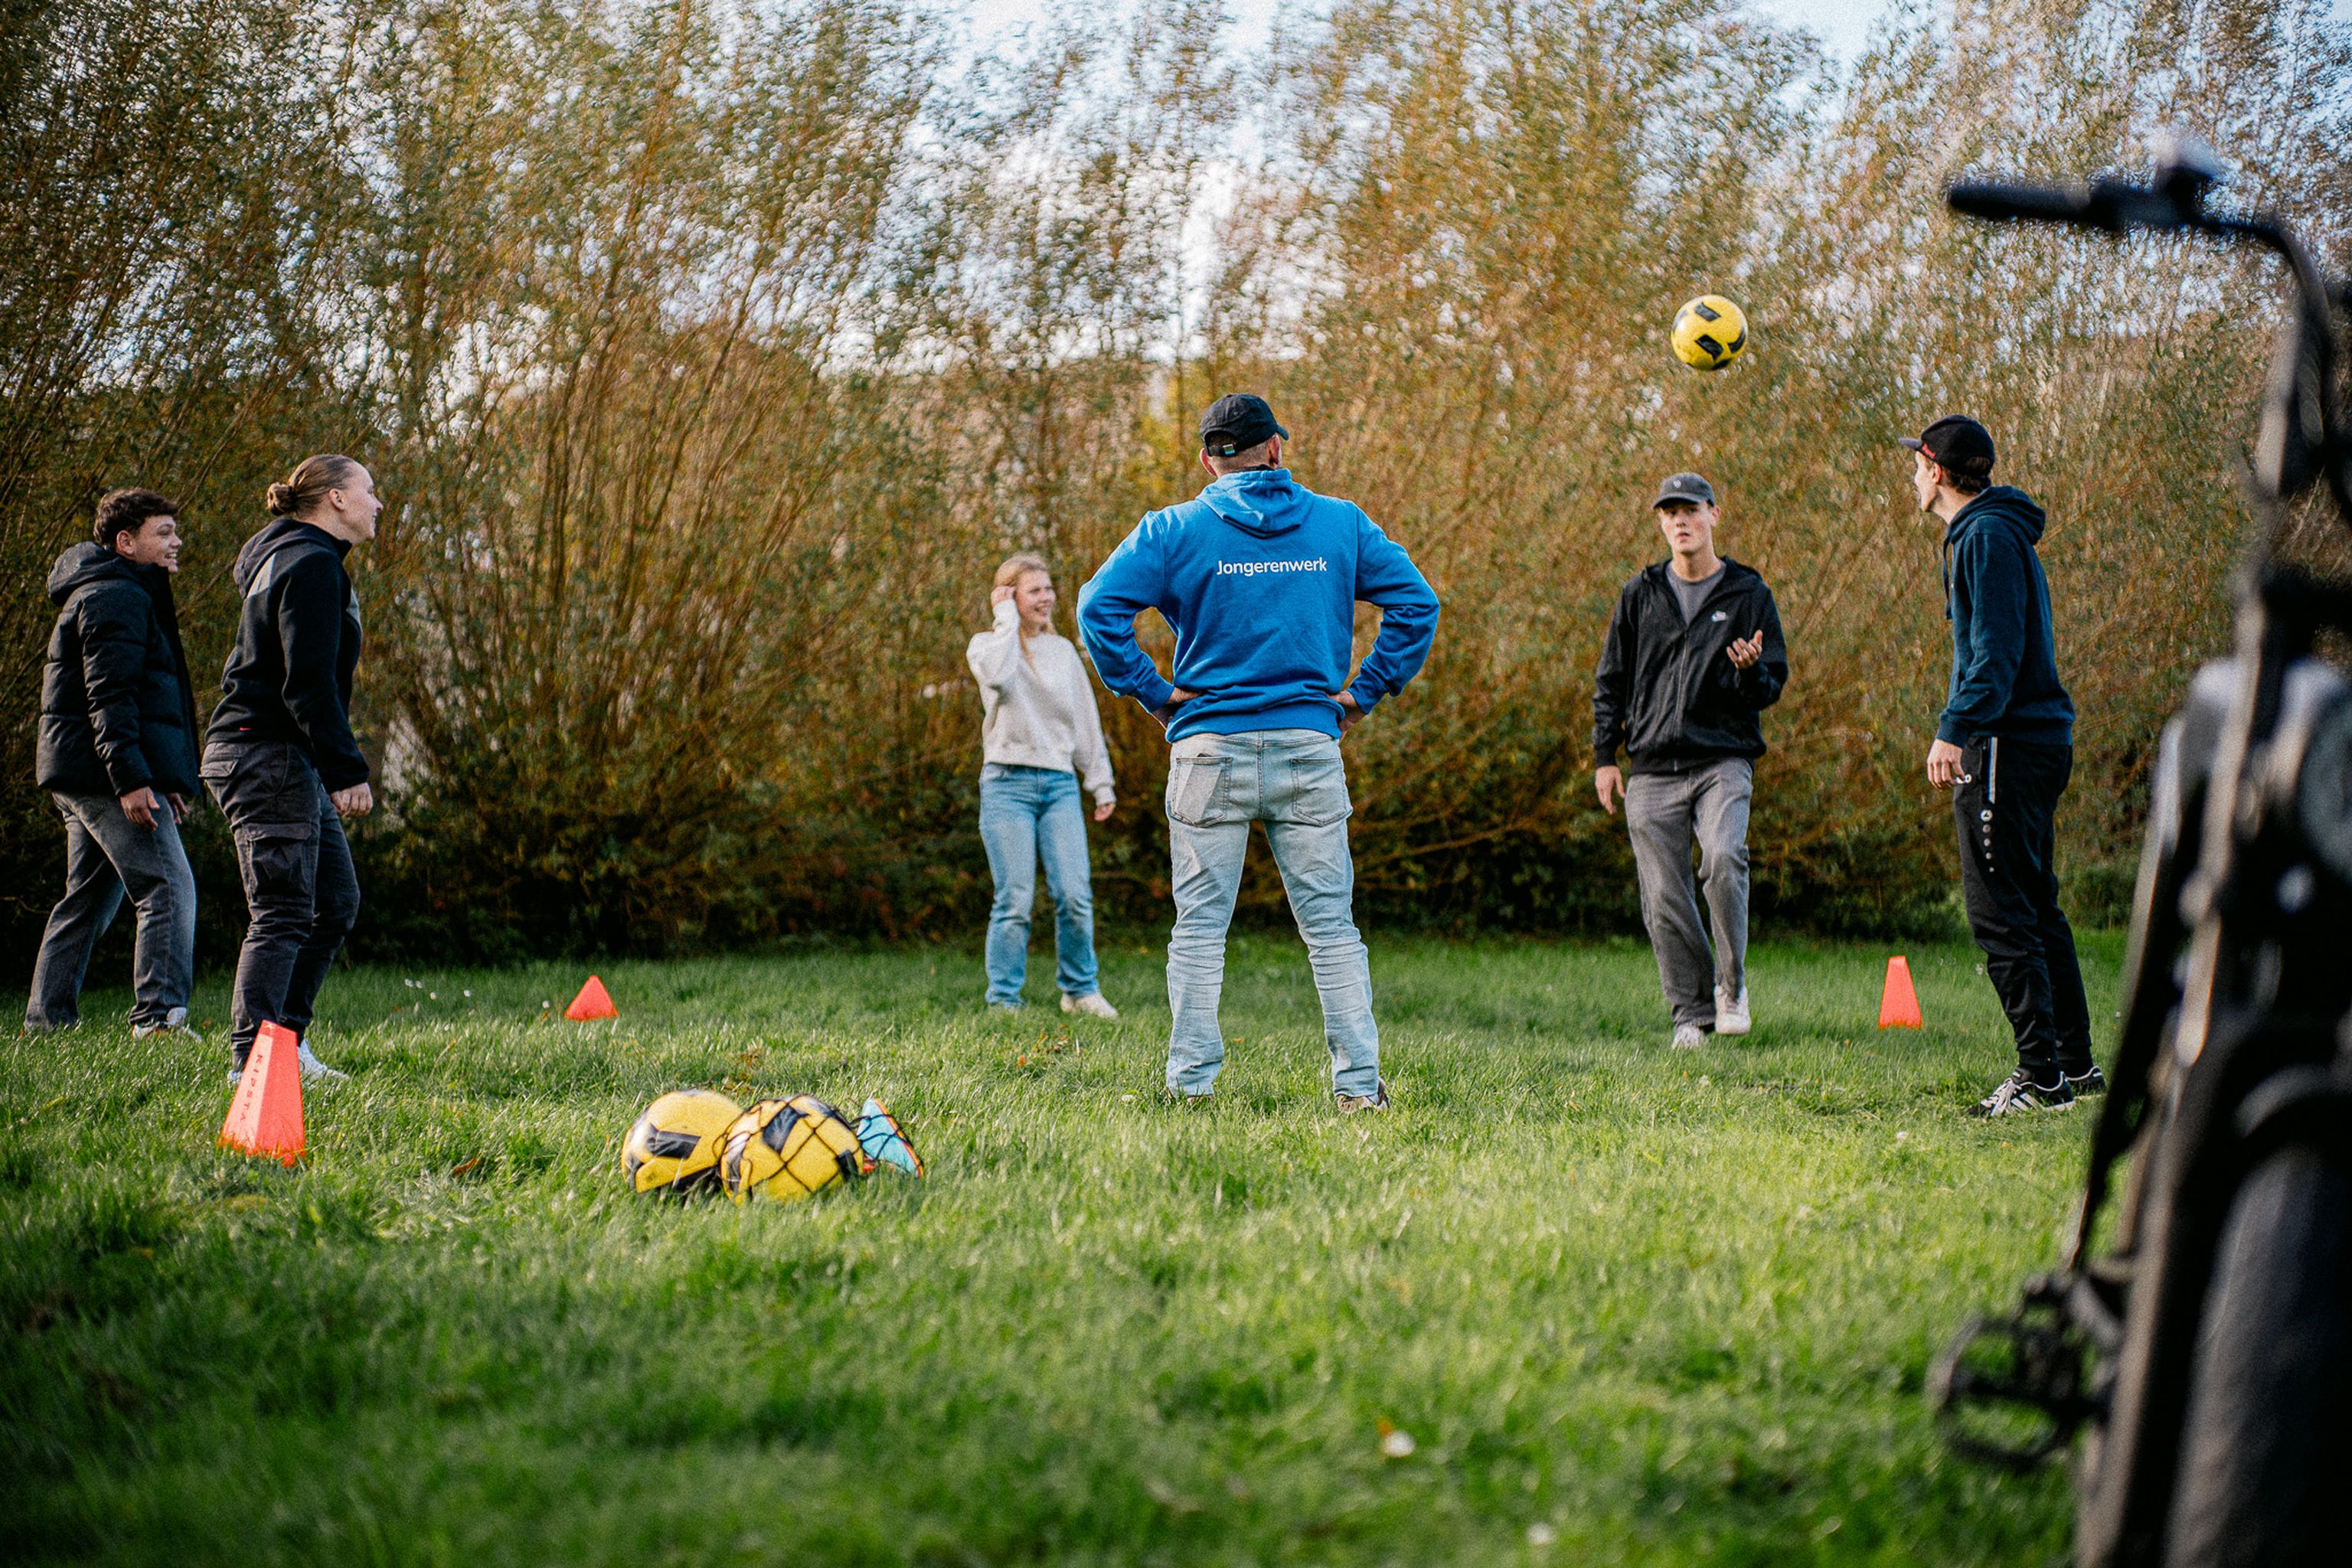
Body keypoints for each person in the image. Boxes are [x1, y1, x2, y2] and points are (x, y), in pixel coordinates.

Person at [1079, 393, 1439, 1111]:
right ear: (1275, 447)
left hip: (1207, 750)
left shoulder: (1172, 530)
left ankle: (1189, 1089)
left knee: (1199, 930)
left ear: (1207, 460)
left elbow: (1098, 607)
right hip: (1308, 745)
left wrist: (1154, 692)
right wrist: (1362, 694)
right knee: (1331, 930)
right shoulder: (1341, 523)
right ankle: (1358, 1089)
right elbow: (1416, 603)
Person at [1906, 414, 2102, 1116]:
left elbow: (1995, 653)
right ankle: (2075, 1068)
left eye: (1917, 465)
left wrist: (1954, 729)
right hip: (2033, 741)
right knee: (2036, 907)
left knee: (2001, 916)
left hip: (2005, 745)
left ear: (1936, 471)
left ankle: (2041, 1078)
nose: (1913, 477)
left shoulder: (1985, 536)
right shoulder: (1991, 531)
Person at [201, 455, 380, 1083]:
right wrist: (346, 769)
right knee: (281, 910)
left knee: (335, 901)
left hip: (281, 755)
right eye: (368, 490)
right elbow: (306, 684)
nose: (378, 503)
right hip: (264, 753)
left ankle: (286, 1045)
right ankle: (253, 1065)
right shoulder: (311, 564)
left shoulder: (294, 558)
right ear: (335, 499)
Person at [1593, 473, 1788, 1048]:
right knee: (1663, 896)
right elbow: (1611, 680)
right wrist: (1605, 756)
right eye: (1669, 512)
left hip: (1722, 759)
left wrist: (1751, 670)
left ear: (1713, 515)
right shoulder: (1640, 594)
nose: (1680, 520)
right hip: (1651, 766)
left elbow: (1771, 686)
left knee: (1724, 859)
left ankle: (1732, 987)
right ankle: (1691, 1014)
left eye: (1691, 509)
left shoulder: (1749, 594)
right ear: (1661, 523)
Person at [26, 489, 203, 1039]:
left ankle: (47, 1022)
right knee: (167, 885)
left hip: (85, 768)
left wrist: (162, 778)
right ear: (126, 542)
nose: (177, 542)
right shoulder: (117, 595)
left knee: (88, 898)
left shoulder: (119, 589)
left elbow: (140, 701)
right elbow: (111, 700)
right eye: (164, 532)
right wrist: (131, 780)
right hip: (104, 773)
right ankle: (159, 1019)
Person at [968, 552, 1121, 1018]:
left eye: (1049, 589)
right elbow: (998, 680)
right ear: (1009, 596)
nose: (1047, 598)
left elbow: (1085, 720)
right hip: (1006, 784)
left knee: (1074, 896)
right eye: (1034, 590)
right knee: (1014, 900)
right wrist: (1006, 621)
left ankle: (1080, 991)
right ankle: (1003, 999)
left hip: (1058, 786)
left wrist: (1101, 783)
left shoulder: (1063, 653)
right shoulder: (987, 647)